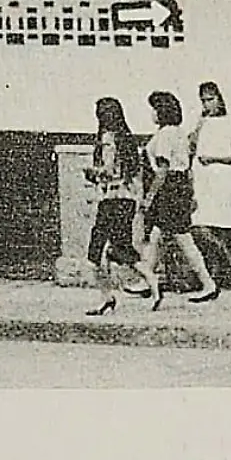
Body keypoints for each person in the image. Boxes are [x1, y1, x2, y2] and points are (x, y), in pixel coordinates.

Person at [138, 90, 220, 307]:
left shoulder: (166, 134)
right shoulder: (179, 132)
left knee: (183, 238)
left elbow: (163, 169)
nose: (152, 114)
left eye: (154, 109)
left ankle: (208, 283)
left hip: (170, 188)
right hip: (179, 185)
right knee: (157, 235)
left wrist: (149, 197)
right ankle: (147, 278)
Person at [85, 96, 151, 314]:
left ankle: (107, 297)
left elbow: (108, 170)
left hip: (110, 200)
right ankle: (152, 281)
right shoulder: (127, 139)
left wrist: (91, 172)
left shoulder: (108, 138)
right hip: (127, 200)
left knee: (95, 254)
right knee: (121, 249)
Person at [188, 81, 231, 288]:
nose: (207, 105)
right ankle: (218, 269)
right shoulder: (201, 122)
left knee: (215, 226)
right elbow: (191, 147)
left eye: (210, 99)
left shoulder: (230, 123)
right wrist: (198, 127)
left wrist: (214, 159)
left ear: (219, 99)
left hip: (222, 177)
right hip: (202, 179)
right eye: (203, 101)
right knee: (199, 225)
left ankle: (227, 266)